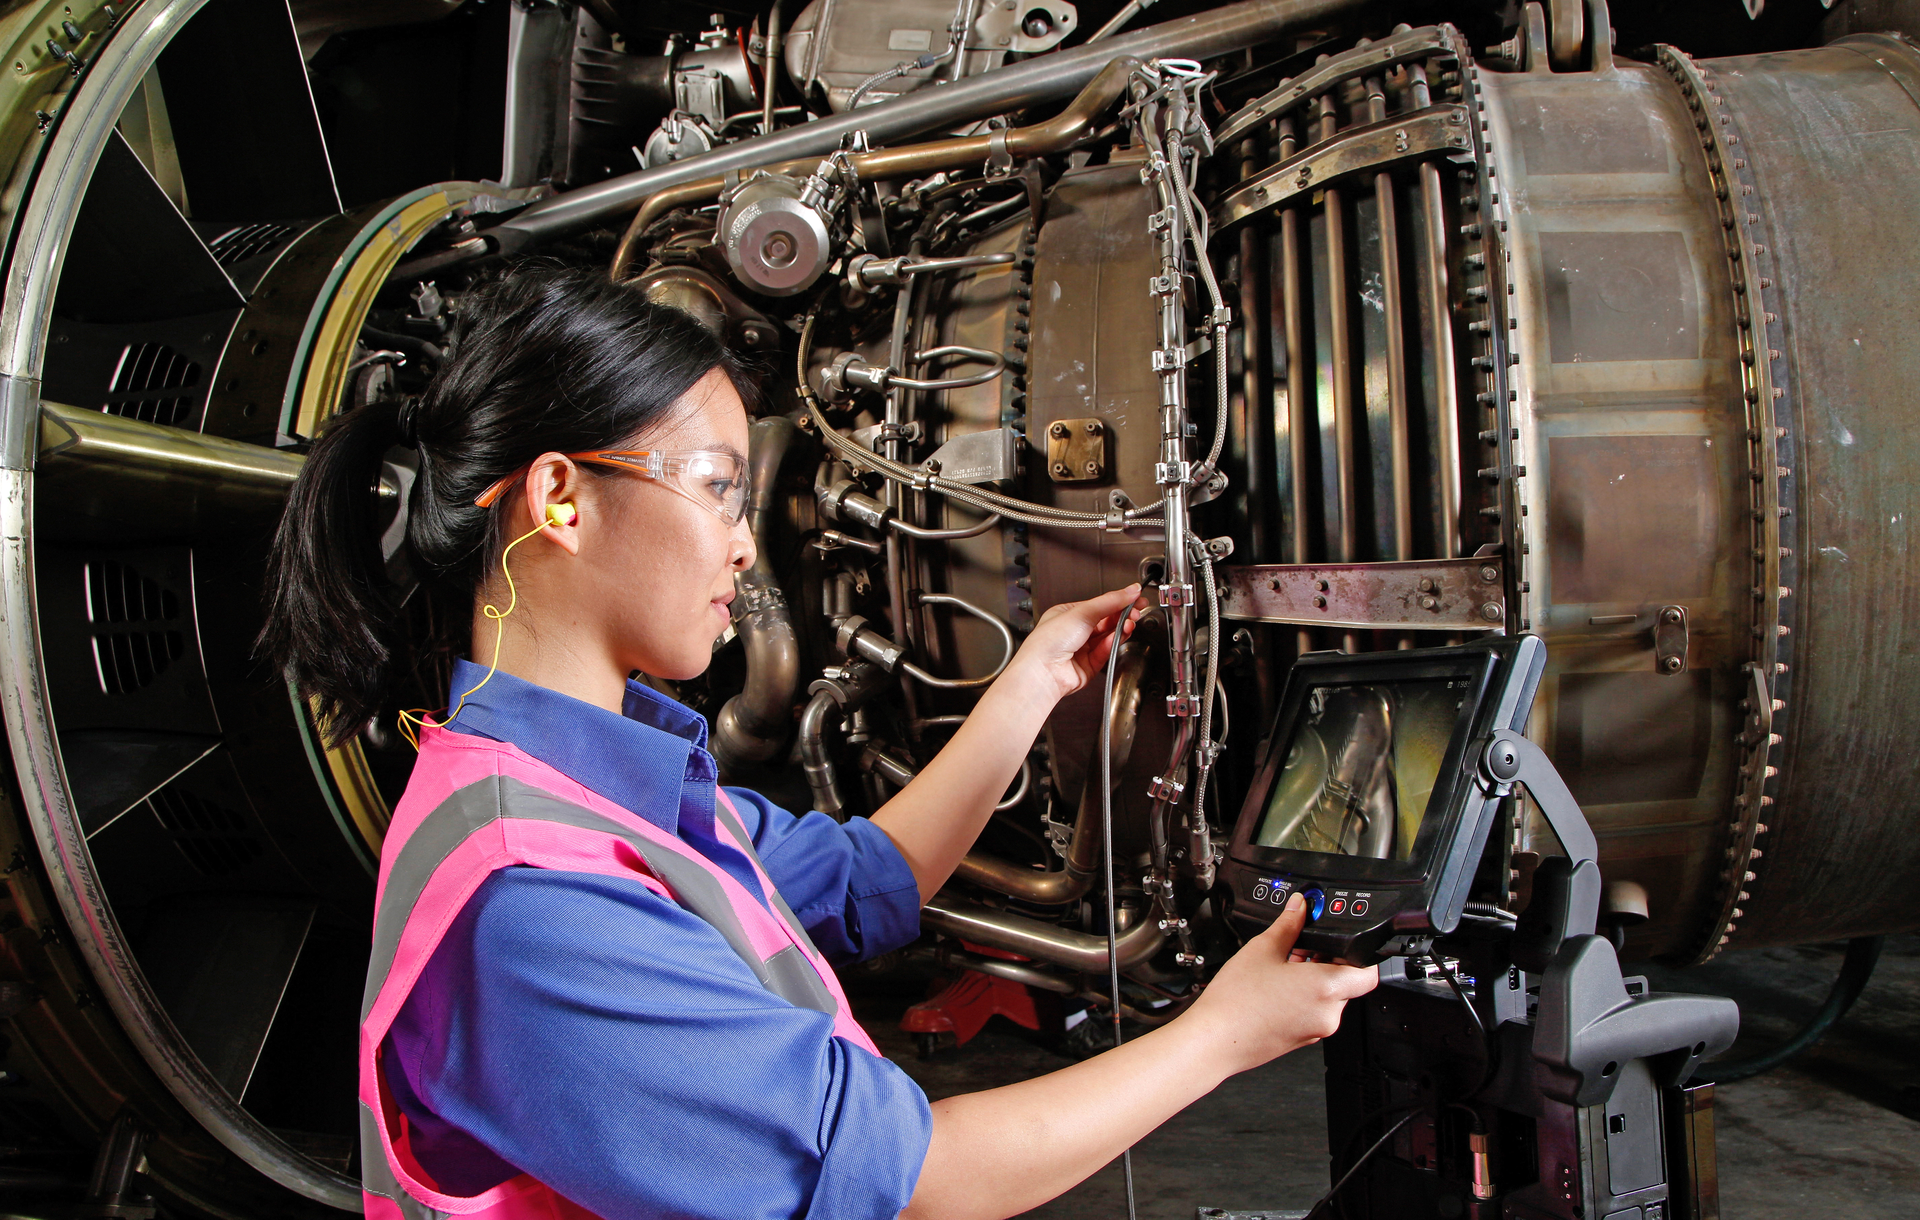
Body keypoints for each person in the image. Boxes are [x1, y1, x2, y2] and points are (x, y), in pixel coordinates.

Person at [262, 261, 1377, 1220]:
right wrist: (1223, 1034)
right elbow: (914, 1177)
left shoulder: (592, 785)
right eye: (714, 489)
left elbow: (865, 879)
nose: (746, 547)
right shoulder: (528, 901)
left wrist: (1037, 673)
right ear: (559, 497)